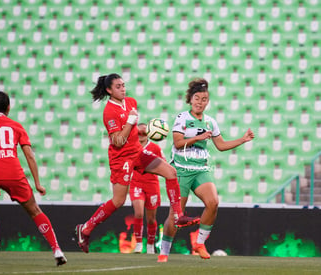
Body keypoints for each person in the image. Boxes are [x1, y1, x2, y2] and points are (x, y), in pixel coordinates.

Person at [75, 73, 198, 254]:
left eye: (123, 85)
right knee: (118, 201)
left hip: (137, 153)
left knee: (171, 173)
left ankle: (178, 216)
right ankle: (85, 228)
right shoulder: (109, 111)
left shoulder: (131, 102)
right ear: (109, 90)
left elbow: (132, 131)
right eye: (118, 86)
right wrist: (130, 122)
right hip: (121, 158)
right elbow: (117, 141)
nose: (123, 89)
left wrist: (142, 127)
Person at [0, 90, 67, 266]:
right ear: (8, 108)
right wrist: (38, 183)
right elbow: (30, 155)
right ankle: (57, 250)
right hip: (12, 173)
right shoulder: (16, 126)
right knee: (35, 211)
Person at [157, 78, 255, 262]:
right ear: (190, 99)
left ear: (208, 101)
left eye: (204, 99)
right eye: (197, 98)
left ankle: (200, 243)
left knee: (213, 202)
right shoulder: (182, 118)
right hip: (181, 170)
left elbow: (221, 145)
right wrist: (199, 137)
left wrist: (242, 139)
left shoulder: (210, 122)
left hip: (201, 169)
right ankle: (164, 250)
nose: (200, 102)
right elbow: (178, 144)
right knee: (176, 216)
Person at [129, 123, 163, 254]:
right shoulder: (131, 147)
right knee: (138, 213)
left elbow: (162, 164)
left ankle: (150, 245)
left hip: (152, 184)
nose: (141, 136)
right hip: (136, 182)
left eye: (143, 133)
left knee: (151, 219)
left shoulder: (155, 148)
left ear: (149, 134)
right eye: (138, 133)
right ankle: (138, 243)